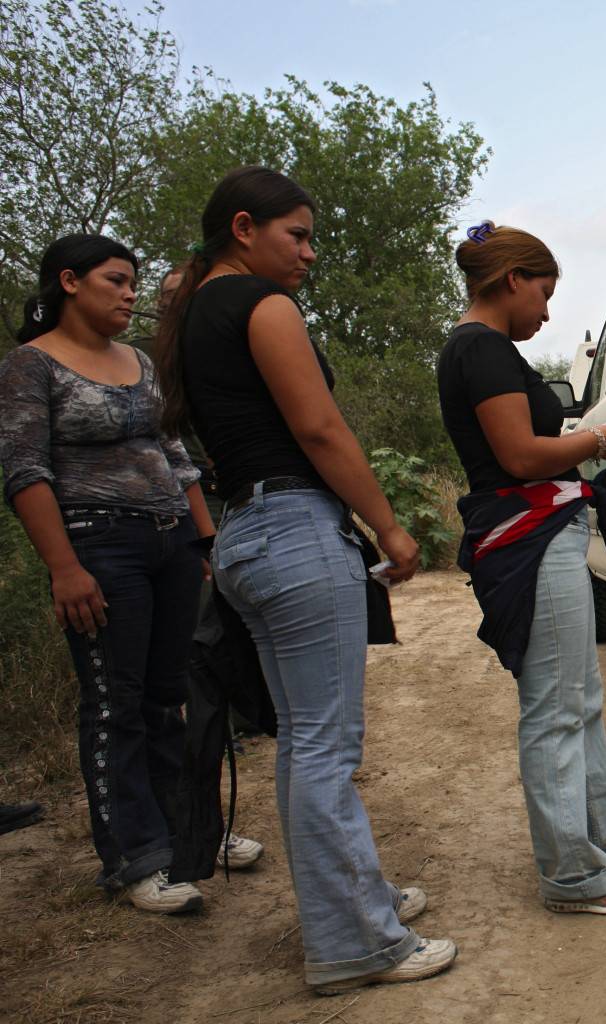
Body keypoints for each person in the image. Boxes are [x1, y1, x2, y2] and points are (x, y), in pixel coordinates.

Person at [157, 165, 456, 991]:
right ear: (244, 227)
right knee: (325, 746)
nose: (310, 253)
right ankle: (356, 943)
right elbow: (319, 429)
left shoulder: (192, 315)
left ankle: (355, 905)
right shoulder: (261, 304)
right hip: (293, 528)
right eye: (298, 235)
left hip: (244, 534)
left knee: (304, 742)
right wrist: (388, 526)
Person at [436, 223, 606, 915]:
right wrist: (598, 440)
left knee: (578, 698)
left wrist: (586, 441)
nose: (545, 311)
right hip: (528, 537)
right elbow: (518, 456)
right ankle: (571, 874)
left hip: (541, 531)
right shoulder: (481, 349)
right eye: (543, 292)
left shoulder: (485, 349)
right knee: (556, 707)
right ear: (512, 280)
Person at [0, 234, 214, 913]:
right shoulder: (30, 365)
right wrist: (64, 568)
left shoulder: (141, 362)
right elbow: (25, 471)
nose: (129, 295)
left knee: (167, 695)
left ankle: (185, 840)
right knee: (114, 700)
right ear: (69, 282)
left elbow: (175, 455)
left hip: (171, 540)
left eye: (132, 282)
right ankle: (135, 856)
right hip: (99, 544)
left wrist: (204, 543)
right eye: (116, 281)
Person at [133, 267, 265, 876]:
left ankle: (203, 824)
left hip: (217, 509)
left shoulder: (217, 350)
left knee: (211, 657)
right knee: (185, 672)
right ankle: (180, 832)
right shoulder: (145, 363)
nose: (175, 305)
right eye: (167, 297)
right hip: (158, 526)